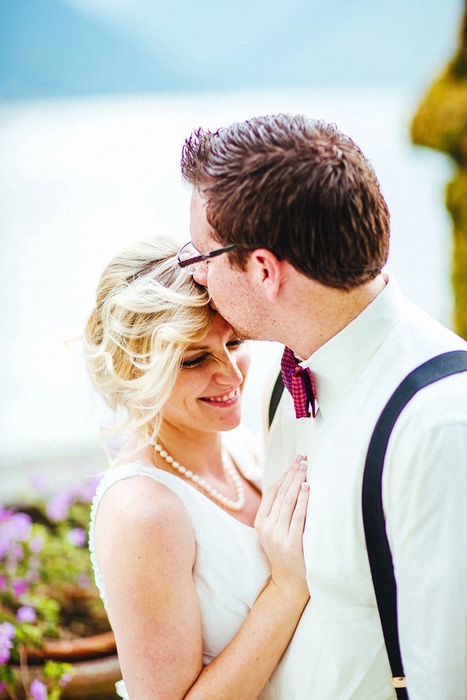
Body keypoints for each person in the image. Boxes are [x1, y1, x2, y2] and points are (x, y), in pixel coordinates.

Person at [180, 114, 467, 700]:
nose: (199, 278)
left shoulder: (443, 425)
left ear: (263, 269)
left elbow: (449, 679)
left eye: (204, 256)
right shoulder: (274, 381)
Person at [84, 236, 310, 700]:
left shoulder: (244, 448)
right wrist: (287, 588)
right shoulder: (142, 512)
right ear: (135, 372)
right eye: (194, 358)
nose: (232, 373)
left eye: (234, 340)